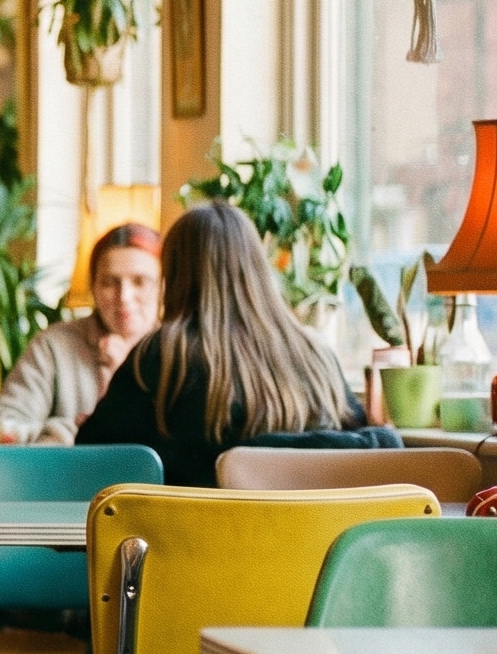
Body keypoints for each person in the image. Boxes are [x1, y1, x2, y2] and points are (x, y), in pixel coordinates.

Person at [77, 200, 371, 486]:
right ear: (257, 265)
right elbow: (354, 437)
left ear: (175, 273)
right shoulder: (315, 352)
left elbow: (95, 459)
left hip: (200, 534)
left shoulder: (160, 356)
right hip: (316, 534)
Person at [0, 222, 163, 444]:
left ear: (164, 286)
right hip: (65, 477)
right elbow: (0, 429)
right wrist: (70, 432)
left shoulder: (183, 349)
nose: (124, 296)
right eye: (109, 282)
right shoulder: (53, 345)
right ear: (93, 287)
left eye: (140, 282)